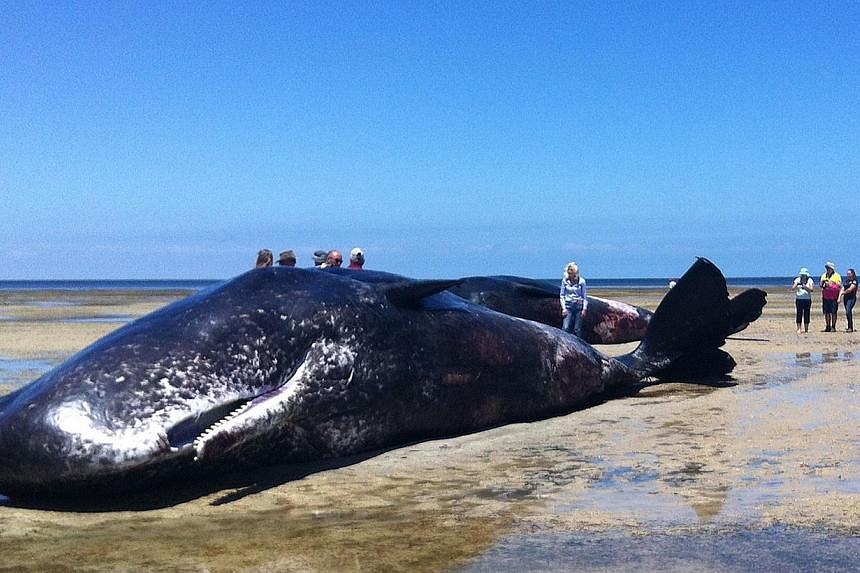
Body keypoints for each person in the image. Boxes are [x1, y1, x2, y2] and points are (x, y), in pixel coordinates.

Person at [560, 262, 587, 338]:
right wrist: (564, 308)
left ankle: (579, 346)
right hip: (568, 305)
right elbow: (562, 295)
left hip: (579, 305)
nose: (575, 275)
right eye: (573, 274)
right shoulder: (565, 281)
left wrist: (584, 308)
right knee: (566, 327)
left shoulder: (581, 281)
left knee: (577, 329)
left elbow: (584, 295)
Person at [820, 261, 842, 332]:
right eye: (827, 268)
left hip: (834, 297)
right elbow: (821, 285)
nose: (827, 269)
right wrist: (823, 283)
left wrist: (832, 283)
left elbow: (839, 285)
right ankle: (828, 326)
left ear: (832, 269)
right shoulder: (824, 275)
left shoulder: (837, 275)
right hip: (826, 296)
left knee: (834, 312)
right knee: (826, 312)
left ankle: (833, 326)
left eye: (829, 268)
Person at [790, 267, 814, 334]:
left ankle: (806, 329)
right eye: (802, 275)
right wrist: (797, 284)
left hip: (807, 300)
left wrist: (805, 287)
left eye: (804, 275)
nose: (803, 276)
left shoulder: (810, 280)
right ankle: (798, 328)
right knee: (799, 314)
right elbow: (792, 288)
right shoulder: (797, 279)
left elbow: (811, 290)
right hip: (799, 299)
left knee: (807, 314)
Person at [839, 268, 857, 332]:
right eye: (847, 274)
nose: (848, 275)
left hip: (852, 298)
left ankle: (850, 328)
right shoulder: (846, 281)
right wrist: (839, 296)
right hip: (846, 298)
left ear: (852, 274)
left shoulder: (854, 281)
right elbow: (842, 288)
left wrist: (843, 293)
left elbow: (850, 289)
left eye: (849, 273)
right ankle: (849, 326)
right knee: (848, 312)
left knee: (848, 311)